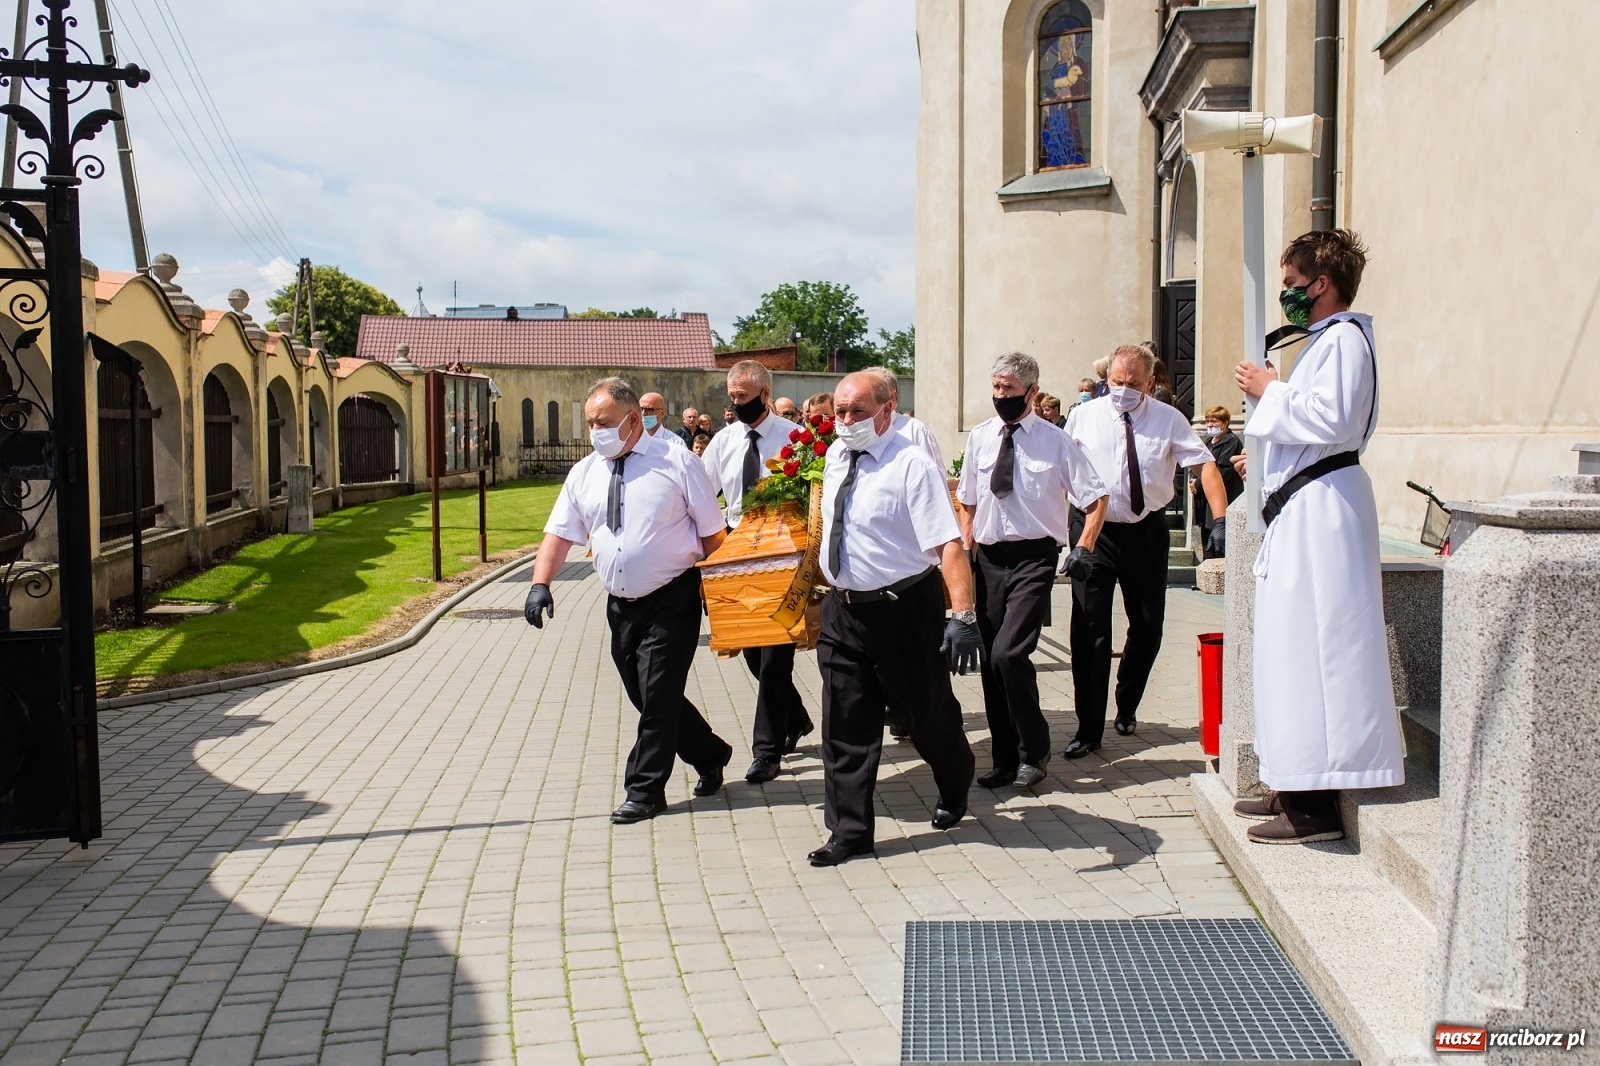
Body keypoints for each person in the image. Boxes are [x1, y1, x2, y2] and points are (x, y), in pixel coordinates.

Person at [1230, 228, 1402, 844]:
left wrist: (1269, 391)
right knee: (1291, 649)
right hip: (1307, 504)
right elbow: (1314, 428)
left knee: (1317, 651)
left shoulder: (1346, 340)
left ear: (1321, 283)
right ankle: (1292, 779)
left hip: (1323, 510)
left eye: (1291, 285)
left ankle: (1315, 806)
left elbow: (1333, 418)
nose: (1286, 296)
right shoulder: (1326, 342)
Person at [524, 377, 733, 825]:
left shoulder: (676, 462)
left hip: (673, 596)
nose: (594, 430)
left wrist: (723, 598)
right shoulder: (586, 472)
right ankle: (710, 752)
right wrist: (541, 583)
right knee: (647, 695)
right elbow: (560, 533)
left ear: (634, 420)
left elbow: (714, 534)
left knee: (657, 695)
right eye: (589, 423)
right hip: (620, 605)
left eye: (603, 422)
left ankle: (644, 790)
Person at [809, 371, 978, 866]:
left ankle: (955, 777)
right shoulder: (835, 456)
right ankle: (849, 832)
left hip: (902, 610)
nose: (845, 422)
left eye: (856, 411)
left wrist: (963, 613)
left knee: (924, 715)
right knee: (844, 724)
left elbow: (948, 543)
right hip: (843, 610)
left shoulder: (911, 464)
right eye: (839, 412)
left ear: (887, 409)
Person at [1063, 344, 1229, 758]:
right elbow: (1058, 468)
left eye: (1132, 384)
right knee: (1090, 631)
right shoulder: (1083, 416)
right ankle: (1088, 728)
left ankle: (1127, 700)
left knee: (1148, 627)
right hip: (1093, 533)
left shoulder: (1168, 420)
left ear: (1149, 383)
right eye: (1115, 382)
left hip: (1145, 532)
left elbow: (1204, 464)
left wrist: (1223, 518)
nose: (1122, 390)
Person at [959, 353, 1108, 790]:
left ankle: (1035, 747)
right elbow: (968, 500)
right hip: (988, 558)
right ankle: (1004, 757)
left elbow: (1095, 497)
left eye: (1008, 389)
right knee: (991, 662)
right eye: (996, 387)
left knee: (1009, 653)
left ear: (1032, 392)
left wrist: (1084, 547)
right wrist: (965, 552)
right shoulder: (981, 437)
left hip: (1034, 558)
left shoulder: (1055, 441)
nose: (1000, 396)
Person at [701, 360, 814, 783]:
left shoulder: (794, 439)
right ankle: (797, 717)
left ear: (766, 394)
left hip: (783, 550)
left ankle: (765, 752)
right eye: (731, 397)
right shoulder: (723, 443)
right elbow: (700, 494)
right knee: (752, 652)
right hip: (737, 547)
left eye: (743, 398)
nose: (735, 405)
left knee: (774, 657)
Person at [866, 366, 943, 473]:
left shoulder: (916, 431)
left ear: (892, 397)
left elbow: (934, 479)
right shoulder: (850, 433)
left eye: (870, 394)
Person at [1191, 405, 1243, 559]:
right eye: (1207, 421)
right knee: (1207, 543)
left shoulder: (1231, 442)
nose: (1210, 425)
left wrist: (1198, 484)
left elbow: (1222, 471)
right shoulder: (1207, 442)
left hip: (1223, 498)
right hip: (1204, 504)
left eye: (1214, 421)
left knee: (1218, 545)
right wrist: (1192, 481)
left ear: (1225, 423)